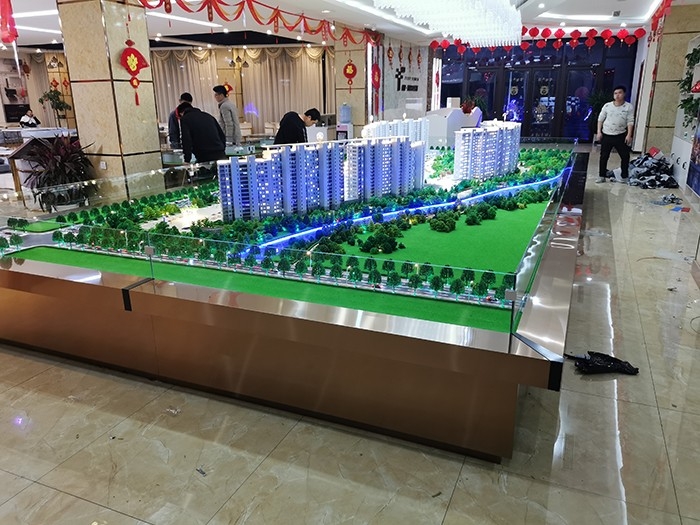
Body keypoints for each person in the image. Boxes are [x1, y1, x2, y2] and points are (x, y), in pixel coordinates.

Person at [596, 86, 635, 183]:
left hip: (620, 135)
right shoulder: (607, 106)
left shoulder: (628, 107)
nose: (617, 95)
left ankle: (624, 176)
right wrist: (599, 132)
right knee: (604, 156)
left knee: (625, 156)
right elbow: (600, 119)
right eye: (615, 93)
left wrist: (629, 135)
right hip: (607, 134)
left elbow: (630, 121)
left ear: (624, 94)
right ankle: (601, 175)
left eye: (620, 93)